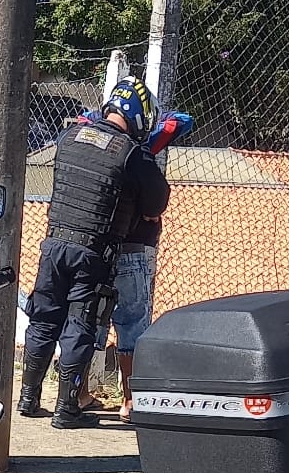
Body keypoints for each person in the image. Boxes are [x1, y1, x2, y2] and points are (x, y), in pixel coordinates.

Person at [18, 77, 169, 428]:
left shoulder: (68, 137)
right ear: (139, 115)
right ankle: (67, 408)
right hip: (93, 251)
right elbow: (157, 201)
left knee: (43, 319)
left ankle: (28, 397)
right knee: (79, 325)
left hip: (53, 244)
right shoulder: (130, 152)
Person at [84, 108, 195, 421]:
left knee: (92, 319)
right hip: (135, 244)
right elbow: (181, 121)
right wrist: (156, 127)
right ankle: (130, 401)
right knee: (132, 323)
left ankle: (79, 393)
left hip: (99, 244)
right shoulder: (141, 149)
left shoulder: (94, 143)